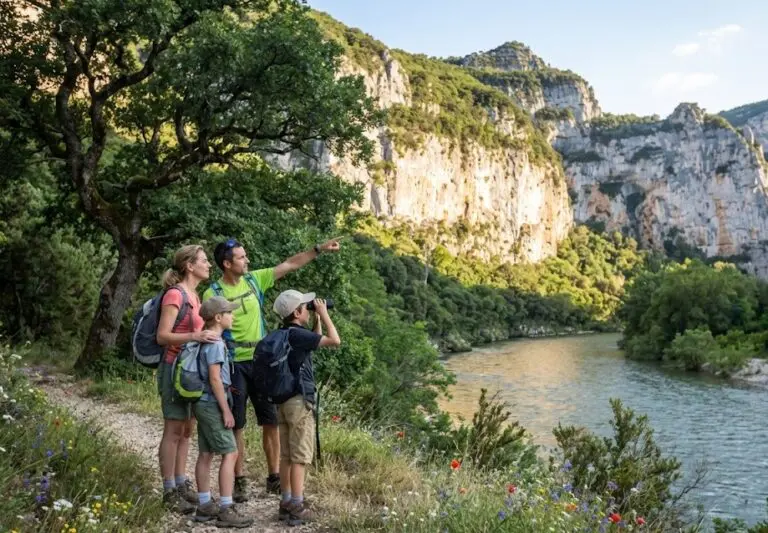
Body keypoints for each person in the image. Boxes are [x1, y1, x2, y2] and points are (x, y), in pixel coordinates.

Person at [203, 237, 341, 501]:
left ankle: (275, 477)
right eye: (242, 257)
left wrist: (318, 249)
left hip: (262, 361)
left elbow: (290, 265)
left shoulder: (255, 280)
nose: (247, 260)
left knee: (270, 421)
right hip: (233, 362)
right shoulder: (213, 293)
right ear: (227, 263)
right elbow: (208, 328)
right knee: (237, 423)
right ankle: (239, 478)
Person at [156, 245, 219, 513]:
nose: (209, 265)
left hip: (190, 372)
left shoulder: (195, 295)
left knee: (186, 430)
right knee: (172, 430)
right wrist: (196, 336)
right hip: (173, 369)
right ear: (189, 266)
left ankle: (181, 483)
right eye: (204, 261)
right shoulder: (175, 294)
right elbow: (162, 336)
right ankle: (169, 489)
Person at [269, 291, 340, 526]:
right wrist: (324, 314)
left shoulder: (285, 334)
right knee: (300, 456)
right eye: (305, 307)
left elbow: (314, 343)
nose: (309, 310)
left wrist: (316, 320)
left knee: (287, 455)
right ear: (297, 312)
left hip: (282, 401)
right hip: (299, 402)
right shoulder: (298, 335)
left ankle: (286, 502)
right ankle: (297, 505)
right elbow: (334, 341)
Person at [192, 296, 253, 528]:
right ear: (218, 318)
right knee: (230, 452)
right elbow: (216, 379)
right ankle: (226, 508)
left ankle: (205, 505)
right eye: (229, 313)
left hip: (201, 402)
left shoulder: (204, 341)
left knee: (206, 453)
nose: (233, 316)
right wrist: (227, 411)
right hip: (212, 404)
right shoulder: (216, 344)